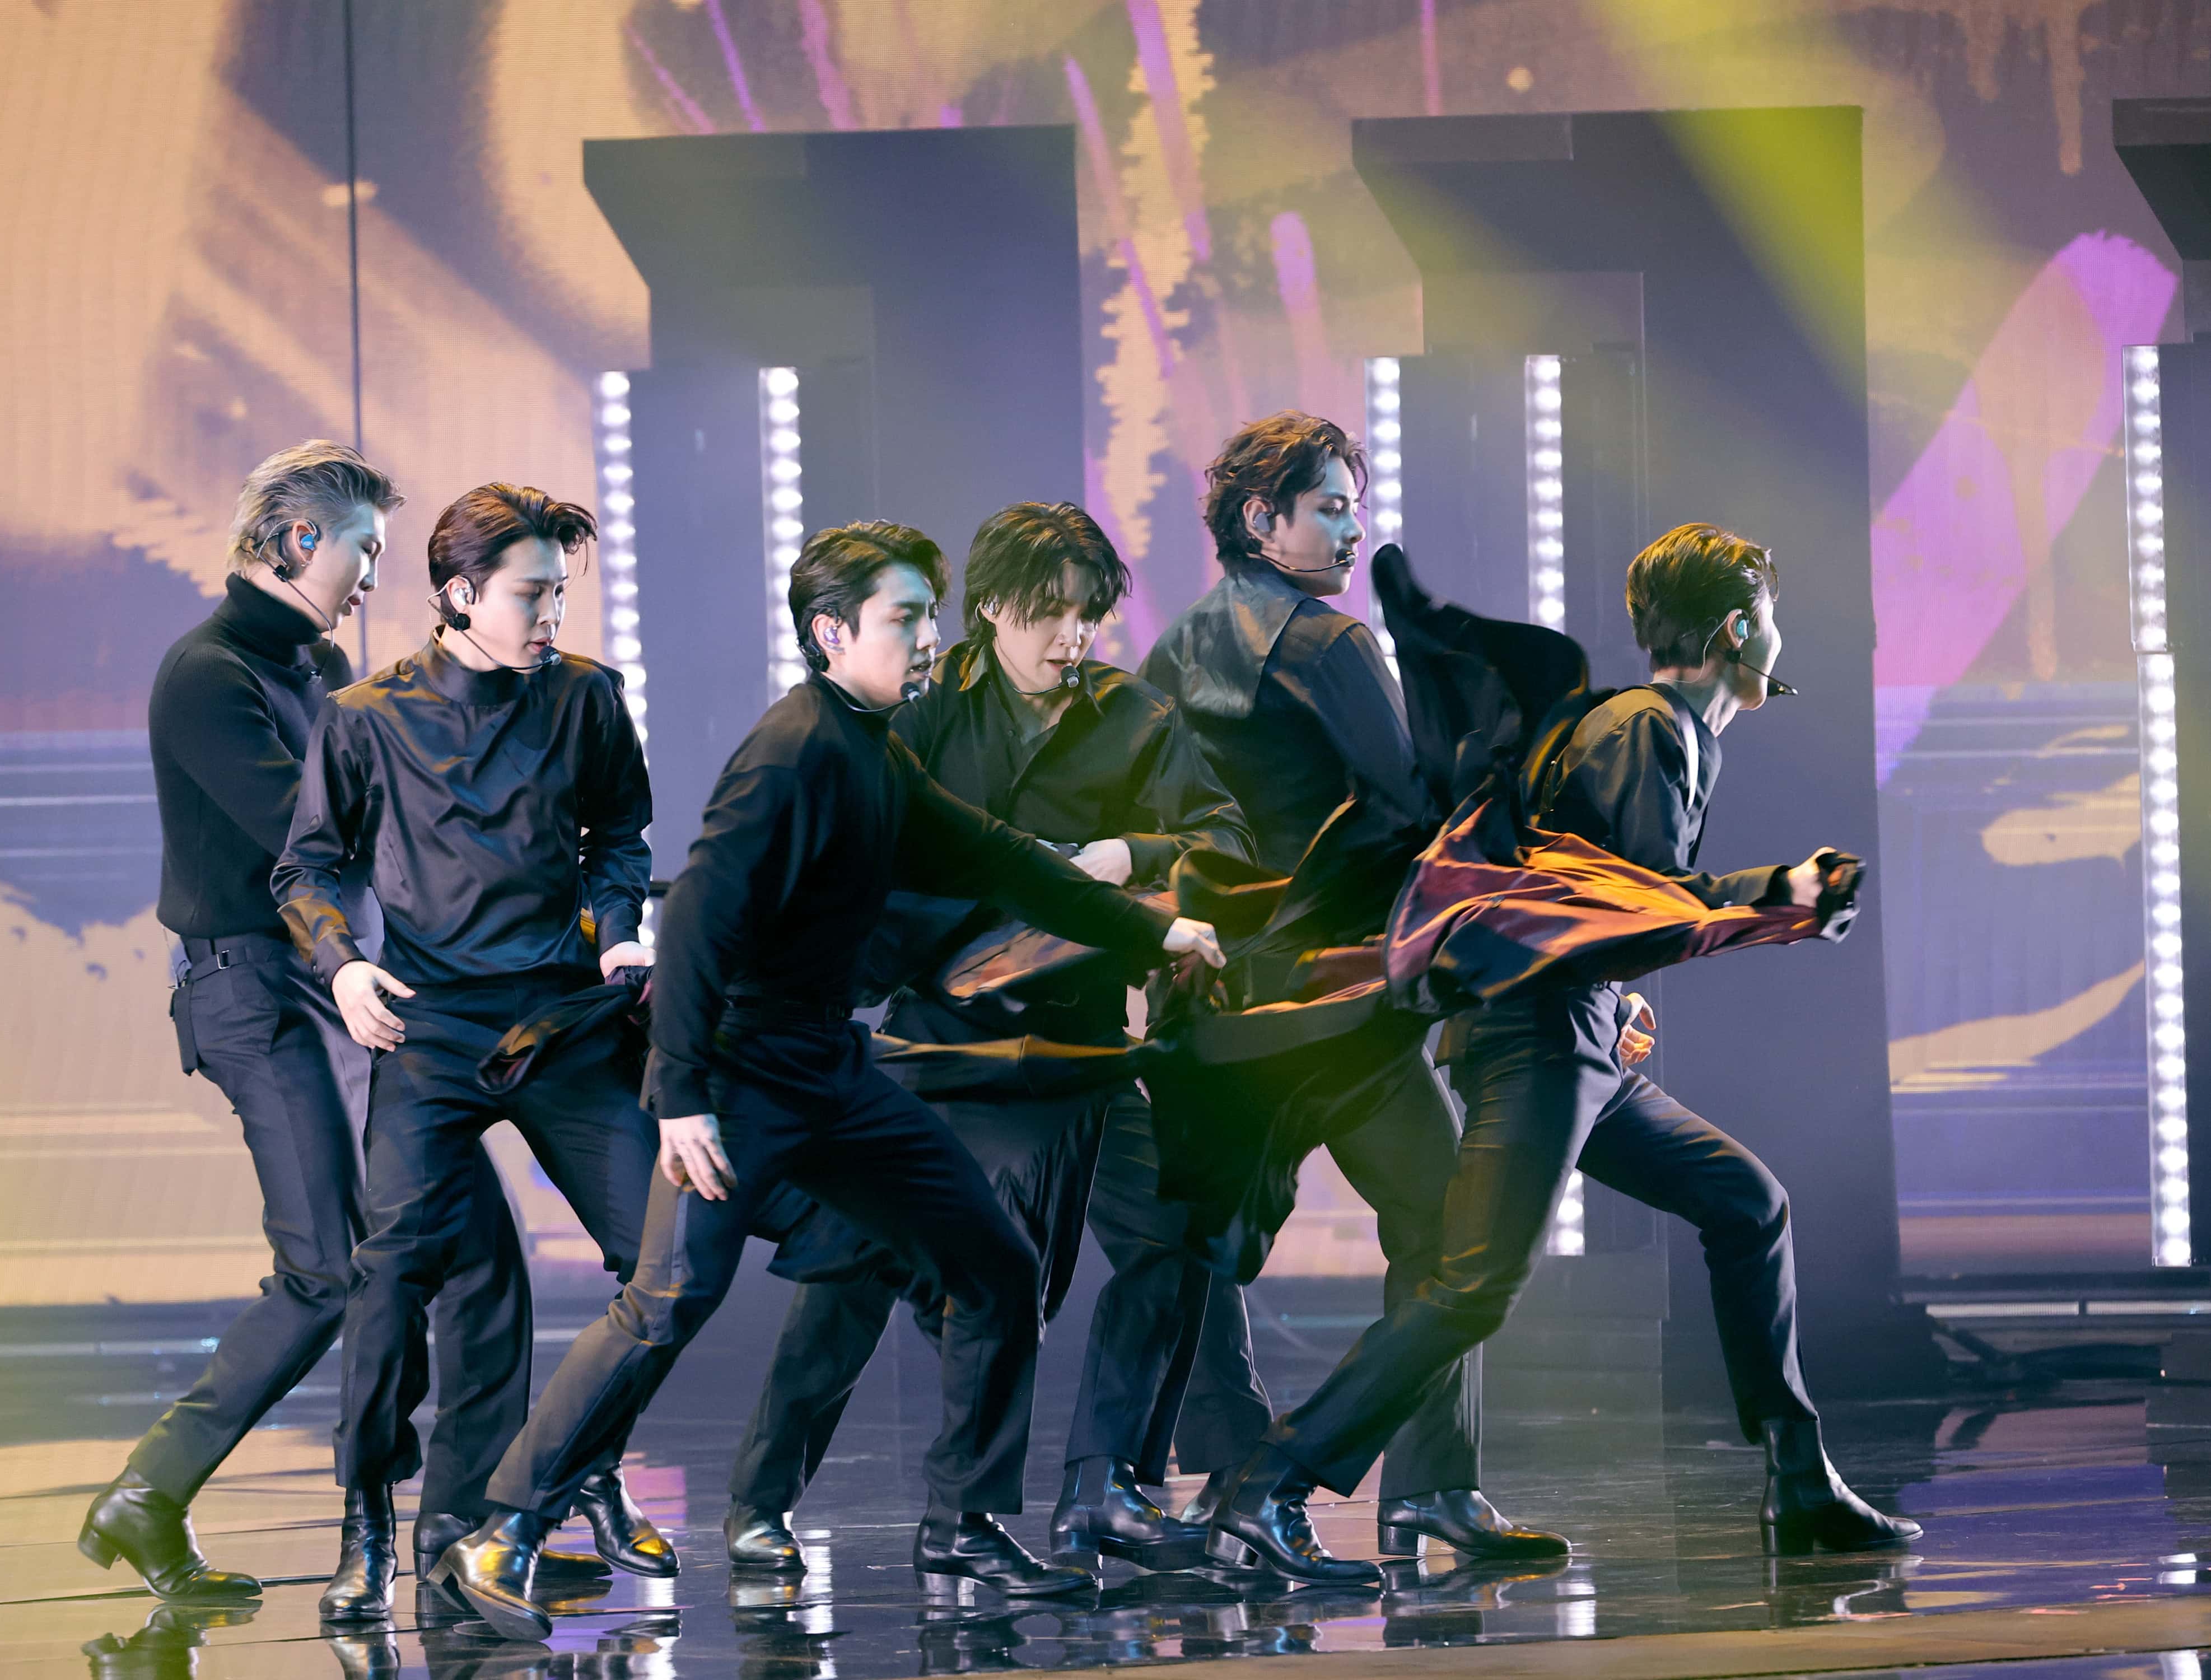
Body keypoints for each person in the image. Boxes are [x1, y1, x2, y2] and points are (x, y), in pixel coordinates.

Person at [427, 521, 1229, 1642]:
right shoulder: (795, 748)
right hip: (741, 1079)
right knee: (669, 1302)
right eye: (905, 618)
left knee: (992, 1268)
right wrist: (681, 1097)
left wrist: (1158, 929)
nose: (926, 637)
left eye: (926, 616)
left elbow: (1000, 859)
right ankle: (502, 1526)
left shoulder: (875, 746)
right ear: (832, 631)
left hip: (832, 1076)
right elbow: (701, 919)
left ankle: (967, 1531)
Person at [1202, 521, 1920, 1570]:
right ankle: (1271, 1483)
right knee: (1474, 1283)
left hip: (1571, 1036)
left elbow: (1591, 903)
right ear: (1737, 627)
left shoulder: (1658, 730)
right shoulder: (1649, 728)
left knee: (1746, 1202)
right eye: (1772, 615)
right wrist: (1784, 896)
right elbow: (1629, 904)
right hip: (1538, 1041)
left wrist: (1630, 984)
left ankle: (1800, 1479)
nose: (1781, 634)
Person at [718, 503, 1251, 1575]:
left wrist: (1118, 854)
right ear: (991, 607)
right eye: (1046, 613)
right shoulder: (917, 705)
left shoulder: (1136, 717)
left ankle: (1105, 1487)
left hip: (1086, 1044)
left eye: (1088, 616)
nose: (1070, 638)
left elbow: (1223, 840)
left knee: (1180, 1232)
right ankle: (762, 1503)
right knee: (855, 1261)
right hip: (938, 1039)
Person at [1137, 412, 1561, 1580]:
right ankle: (1417, 1488)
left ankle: (1215, 1487)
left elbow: (1147, 817)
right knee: (1444, 1234)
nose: (1353, 522)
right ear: (1262, 520)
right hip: (1337, 1005)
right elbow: (1418, 820)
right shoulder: (1330, 645)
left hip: (1220, 1006)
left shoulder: (1173, 651)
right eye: (1329, 504)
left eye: (1350, 501)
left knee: (1204, 1255)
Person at [272, 483, 664, 1622]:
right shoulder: (365, 716)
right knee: (390, 1273)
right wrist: (344, 966)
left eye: (557, 592)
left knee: (665, 1263)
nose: (551, 613)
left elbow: (620, 838)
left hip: (564, 1017)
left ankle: (580, 1469)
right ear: (458, 594)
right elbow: (305, 870)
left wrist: (622, 925)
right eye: (530, 593)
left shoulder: (588, 697)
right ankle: (365, 1530)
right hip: (432, 1025)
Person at [79, 441, 432, 1602]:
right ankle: (150, 1491)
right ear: (296, 543)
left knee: (390, 1252)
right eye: (363, 550)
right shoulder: (209, 672)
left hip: (325, 983)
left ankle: (401, 1517)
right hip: (250, 989)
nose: (375, 574)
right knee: (328, 1269)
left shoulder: (316, 662)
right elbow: (308, 833)